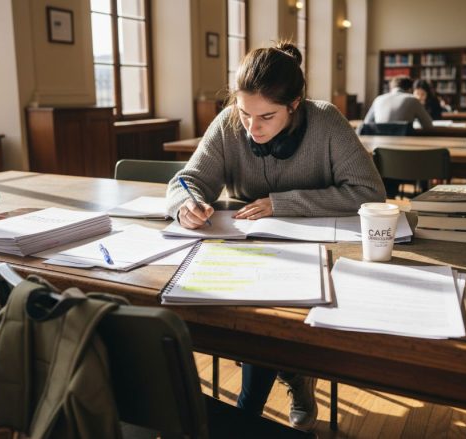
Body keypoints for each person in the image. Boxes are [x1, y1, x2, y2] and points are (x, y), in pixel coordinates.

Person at [165, 41, 386, 431]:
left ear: (295, 104)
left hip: (318, 255)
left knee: (264, 319)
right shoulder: (229, 121)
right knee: (255, 315)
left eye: (267, 116)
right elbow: (186, 179)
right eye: (245, 113)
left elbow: (369, 194)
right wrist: (187, 203)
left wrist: (282, 203)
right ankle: (293, 377)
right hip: (244, 253)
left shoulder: (326, 121)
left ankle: (249, 412)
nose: (252, 127)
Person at [364, 76, 433, 130]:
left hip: (379, 145)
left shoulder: (378, 99)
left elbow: (366, 123)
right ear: (409, 89)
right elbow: (428, 125)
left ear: (391, 88)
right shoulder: (413, 99)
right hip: (404, 146)